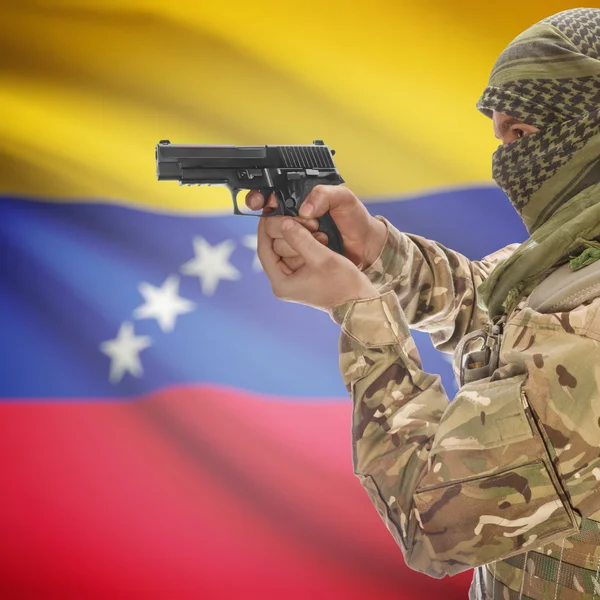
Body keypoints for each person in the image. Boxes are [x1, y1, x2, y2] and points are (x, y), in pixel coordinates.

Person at [246, 8, 600, 599]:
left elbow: (433, 522)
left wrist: (359, 311)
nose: (505, 160)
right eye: (500, 135)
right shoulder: (575, 257)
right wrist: (378, 251)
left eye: (521, 135)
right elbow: (499, 312)